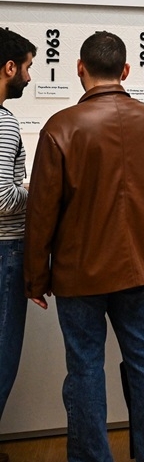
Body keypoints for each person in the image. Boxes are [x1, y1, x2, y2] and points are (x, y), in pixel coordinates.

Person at [24, 31, 144, 462]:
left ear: (80, 68)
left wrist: (35, 276)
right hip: (136, 269)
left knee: (86, 368)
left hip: (78, 274)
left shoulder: (60, 127)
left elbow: (41, 211)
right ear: (125, 71)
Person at [0, 29, 34, 462]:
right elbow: (4, 199)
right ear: (9, 68)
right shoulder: (4, 121)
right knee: (3, 355)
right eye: (27, 66)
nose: (28, 75)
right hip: (5, 250)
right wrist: (38, 189)